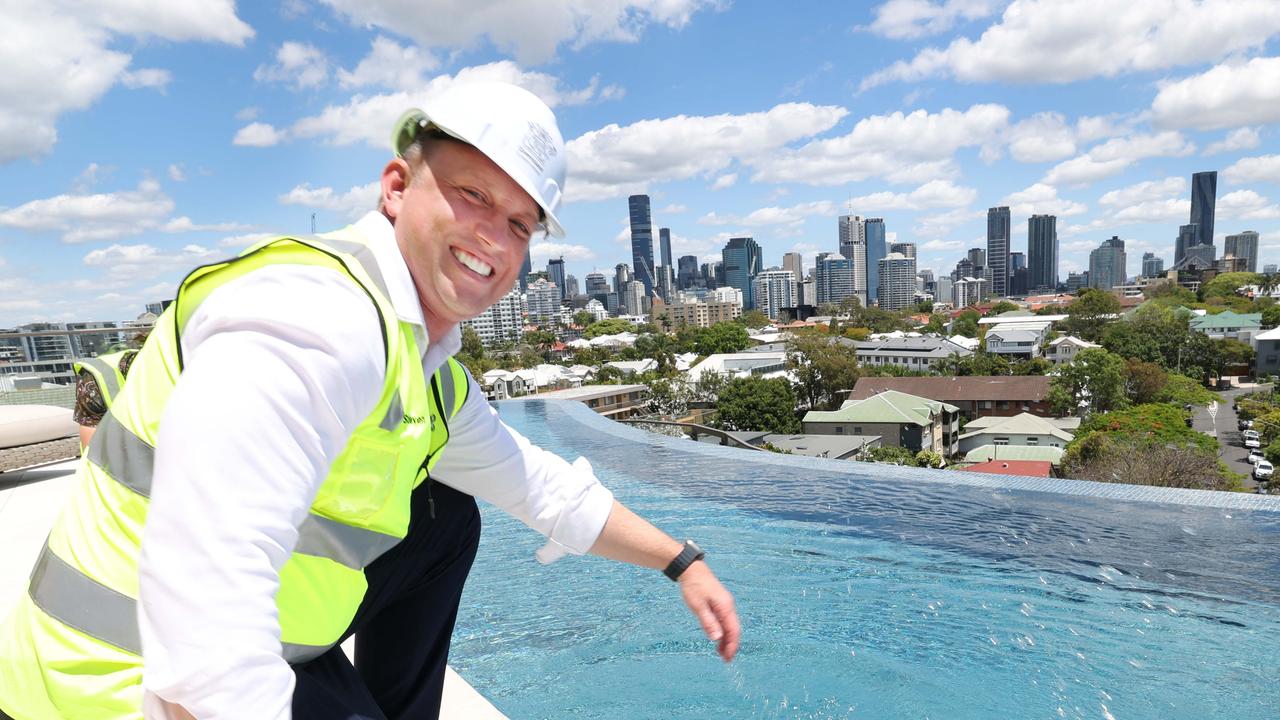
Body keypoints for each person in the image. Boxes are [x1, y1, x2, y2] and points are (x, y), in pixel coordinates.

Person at [0, 81, 739, 720]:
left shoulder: (423, 365)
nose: (496, 236)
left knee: (446, 517)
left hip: (257, 642)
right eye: (472, 195)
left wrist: (683, 563)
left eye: (520, 223)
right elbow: (207, 632)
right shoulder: (318, 319)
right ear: (395, 187)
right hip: (114, 683)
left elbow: (539, 486)